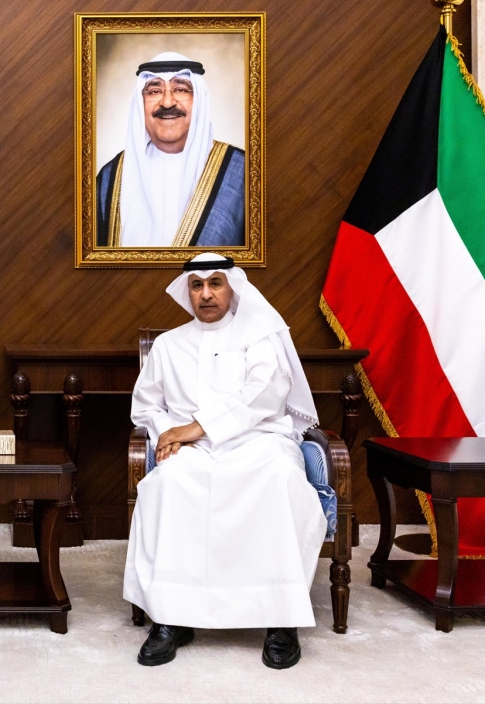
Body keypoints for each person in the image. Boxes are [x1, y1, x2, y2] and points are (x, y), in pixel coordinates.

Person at [123, 253, 327, 670]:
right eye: (197, 285)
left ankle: (281, 620)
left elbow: (264, 397)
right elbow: (146, 406)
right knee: (170, 482)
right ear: (188, 292)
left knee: (279, 478)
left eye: (215, 283)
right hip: (192, 450)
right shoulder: (168, 345)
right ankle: (172, 618)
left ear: (232, 287)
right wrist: (169, 433)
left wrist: (195, 427)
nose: (206, 294)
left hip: (259, 442)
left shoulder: (259, 336)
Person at [96, 52, 245, 247]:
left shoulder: (243, 173)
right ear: (141, 103)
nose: (167, 102)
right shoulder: (110, 178)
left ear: (199, 100)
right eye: (154, 91)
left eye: (181, 89)